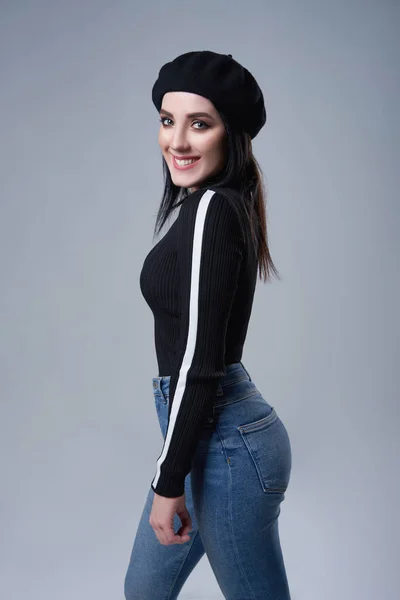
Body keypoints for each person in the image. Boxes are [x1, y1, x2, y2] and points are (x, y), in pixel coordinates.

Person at [124, 50, 292, 600]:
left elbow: (198, 360)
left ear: (231, 135)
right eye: (168, 121)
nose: (177, 141)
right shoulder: (211, 206)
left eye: (200, 124)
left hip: (223, 438)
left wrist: (168, 482)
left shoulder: (212, 211)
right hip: (201, 431)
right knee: (144, 590)